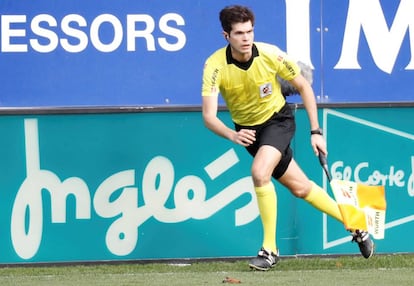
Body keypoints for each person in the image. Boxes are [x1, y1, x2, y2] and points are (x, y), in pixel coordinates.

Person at [201, 5, 374, 271]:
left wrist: (316, 132)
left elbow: (304, 86)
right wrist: (232, 134)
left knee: (260, 172)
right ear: (227, 36)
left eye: (249, 31)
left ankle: (269, 250)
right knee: (301, 188)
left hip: (277, 121)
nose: (246, 38)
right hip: (248, 132)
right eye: (239, 33)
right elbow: (209, 116)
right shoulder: (214, 66)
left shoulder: (271, 54)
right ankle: (356, 221)